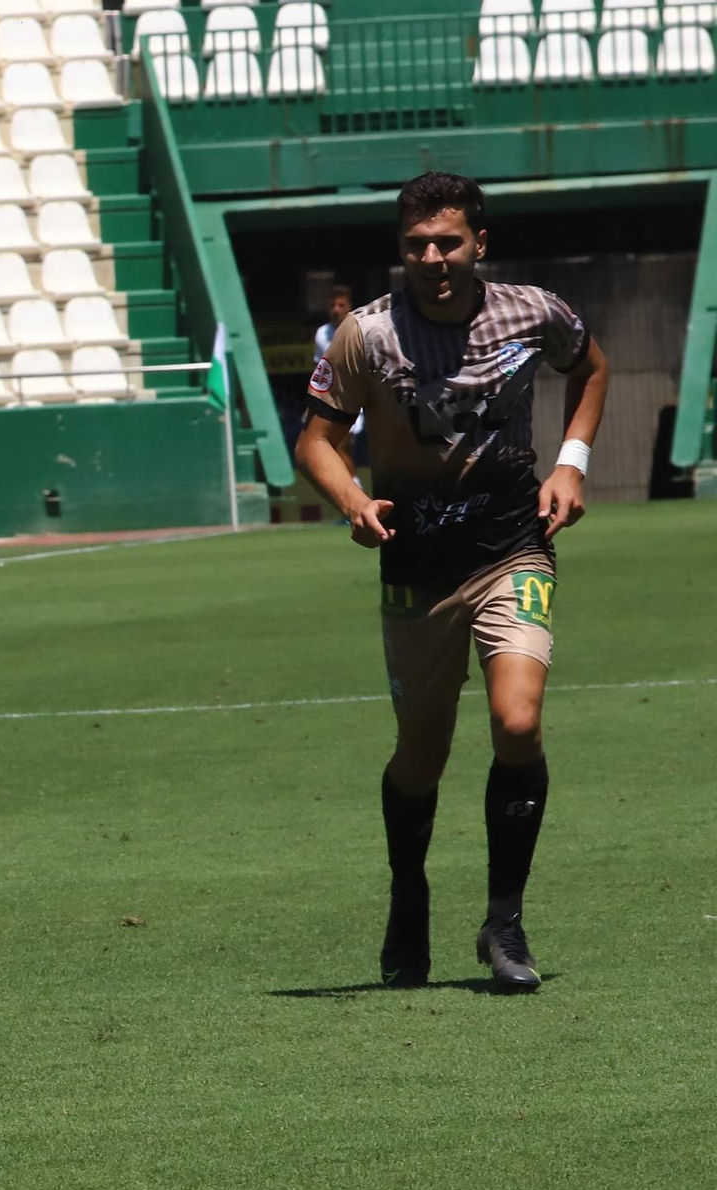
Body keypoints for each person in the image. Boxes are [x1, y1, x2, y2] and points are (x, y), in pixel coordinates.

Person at [293, 172, 608, 993]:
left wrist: (570, 465)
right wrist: (355, 501)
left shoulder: (534, 312)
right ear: (401, 250)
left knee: (518, 718)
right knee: (421, 756)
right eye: (415, 245)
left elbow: (592, 369)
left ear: (480, 244)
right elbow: (316, 444)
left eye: (448, 242)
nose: (432, 258)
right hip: (417, 562)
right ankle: (409, 894)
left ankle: (504, 921)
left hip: (512, 543)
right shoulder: (364, 336)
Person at [314, 284, 365, 462]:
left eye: (341, 305)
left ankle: (355, 485)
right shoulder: (321, 334)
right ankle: (355, 486)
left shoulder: (359, 330)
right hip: (331, 403)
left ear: (349, 306)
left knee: (340, 449)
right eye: (332, 305)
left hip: (358, 401)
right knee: (336, 448)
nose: (336, 310)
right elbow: (318, 372)